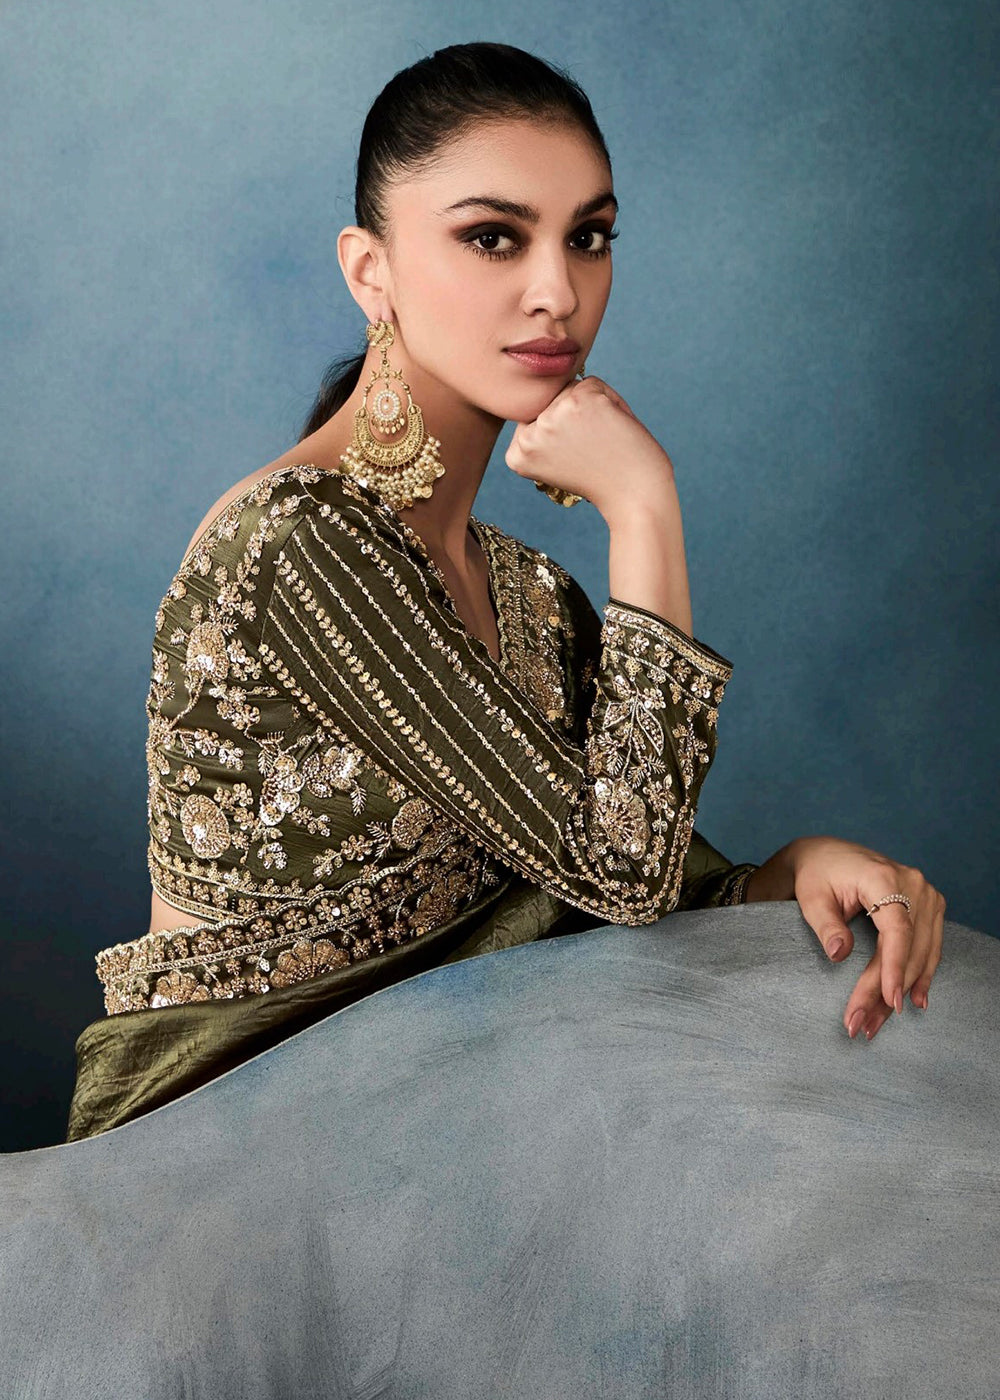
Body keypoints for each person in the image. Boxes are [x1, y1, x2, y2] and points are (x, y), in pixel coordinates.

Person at [66, 42, 945, 1141]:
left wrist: (791, 871)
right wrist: (645, 508)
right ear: (369, 271)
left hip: (457, 1109)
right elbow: (618, 872)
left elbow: (628, 895)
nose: (557, 292)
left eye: (588, 237)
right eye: (493, 237)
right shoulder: (297, 541)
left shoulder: (529, 591)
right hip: (236, 1140)